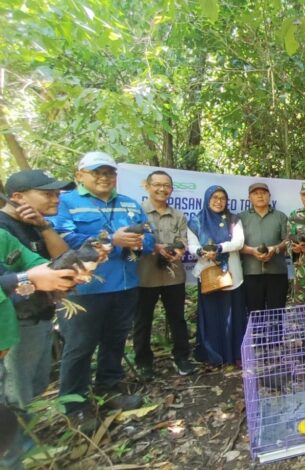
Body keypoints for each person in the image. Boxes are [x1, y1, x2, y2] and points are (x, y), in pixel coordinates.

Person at [51, 152, 156, 419]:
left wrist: (141, 243)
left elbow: (150, 237)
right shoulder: (65, 203)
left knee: (115, 341)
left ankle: (109, 390)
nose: (104, 177)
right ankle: (75, 407)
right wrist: (112, 239)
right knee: (80, 347)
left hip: (125, 286)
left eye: (109, 172)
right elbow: (63, 240)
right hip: (83, 290)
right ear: (80, 175)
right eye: (97, 172)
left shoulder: (129, 204)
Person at [0, 228, 76, 469]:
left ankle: (21, 452)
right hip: (19, 326)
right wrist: (23, 280)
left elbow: (40, 267)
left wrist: (61, 277)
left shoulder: (3, 236)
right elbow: (23, 278)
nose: (54, 198)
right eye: (47, 194)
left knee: (26, 391)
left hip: (10, 333)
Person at [0, 170, 74, 412]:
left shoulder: (36, 224)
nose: (56, 199)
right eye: (47, 194)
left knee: (36, 385)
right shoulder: (4, 229)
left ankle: (28, 438)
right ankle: (16, 446)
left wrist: (43, 227)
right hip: (14, 326)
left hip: (40, 316)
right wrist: (36, 281)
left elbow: (64, 260)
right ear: (19, 197)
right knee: (15, 394)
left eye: (57, 194)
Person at [133, 170, 195, 381]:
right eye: (157, 185)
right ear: (147, 186)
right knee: (142, 321)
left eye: (166, 185)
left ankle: (182, 357)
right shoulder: (137, 212)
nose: (162, 189)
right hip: (144, 276)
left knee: (177, 319)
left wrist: (179, 251)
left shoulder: (178, 215)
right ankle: (143, 363)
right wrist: (155, 248)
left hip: (173, 276)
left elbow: (184, 240)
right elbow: (134, 241)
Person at [187, 185, 246, 366]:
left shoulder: (233, 219)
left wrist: (220, 248)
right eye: (214, 197)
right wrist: (202, 251)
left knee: (233, 314)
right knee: (211, 314)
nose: (218, 201)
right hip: (208, 275)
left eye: (222, 198)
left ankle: (235, 354)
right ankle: (213, 354)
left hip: (232, 274)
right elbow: (191, 246)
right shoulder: (196, 221)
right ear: (207, 199)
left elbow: (239, 242)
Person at [239, 182, 289, 313]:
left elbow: (288, 240)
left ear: (269, 196)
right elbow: (236, 244)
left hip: (277, 272)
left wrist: (275, 249)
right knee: (255, 314)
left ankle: (276, 333)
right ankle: (256, 334)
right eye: (255, 193)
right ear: (249, 197)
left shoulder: (280, 216)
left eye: (263, 193)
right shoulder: (241, 218)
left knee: (277, 314)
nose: (260, 196)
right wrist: (252, 251)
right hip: (251, 272)